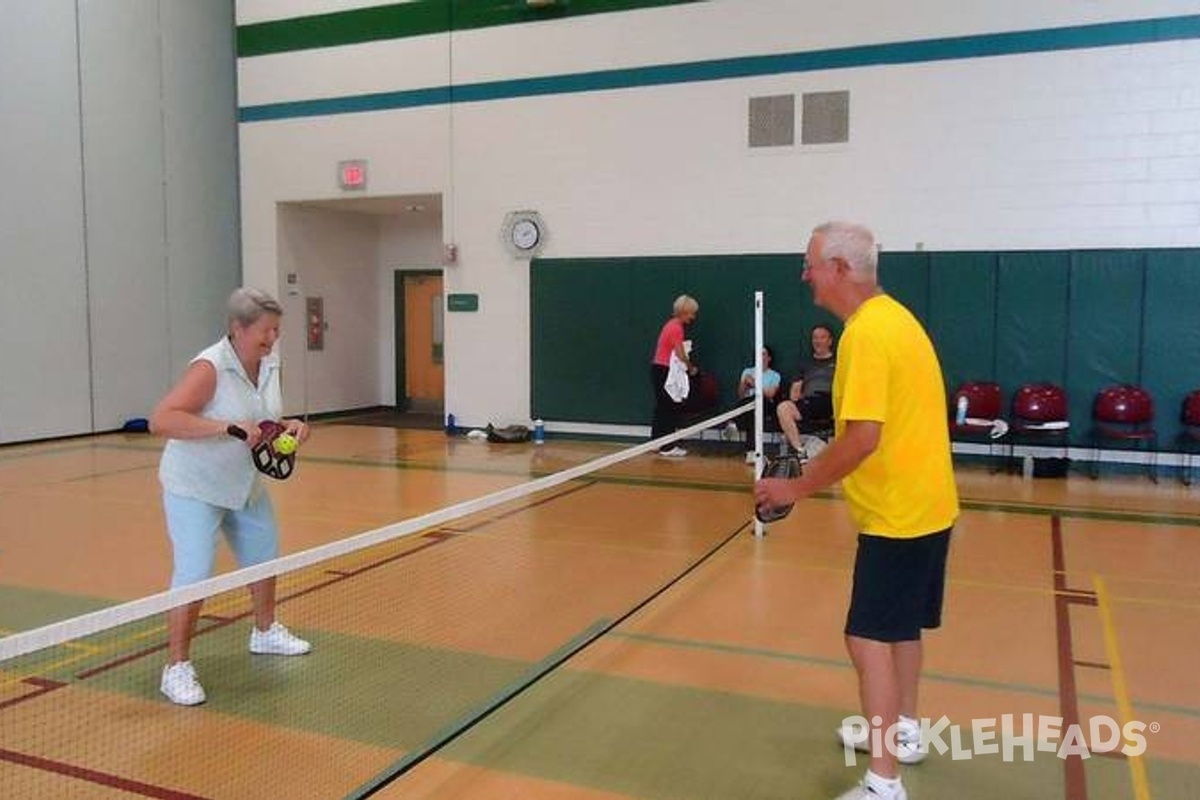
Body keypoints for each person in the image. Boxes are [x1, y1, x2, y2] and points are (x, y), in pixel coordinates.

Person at [754, 222, 959, 800]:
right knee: (901, 630)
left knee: (867, 637)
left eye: (811, 263)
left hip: (900, 514)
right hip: (929, 504)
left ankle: (883, 784)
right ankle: (904, 733)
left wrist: (794, 489)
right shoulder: (896, 318)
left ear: (840, 269)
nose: (805, 275)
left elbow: (864, 437)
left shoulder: (866, 334)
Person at [150, 287, 312, 706]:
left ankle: (265, 631)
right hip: (196, 486)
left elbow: (264, 418)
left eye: (276, 330)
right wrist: (224, 428)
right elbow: (162, 419)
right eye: (265, 331)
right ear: (237, 328)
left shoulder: (269, 363)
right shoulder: (210, 368)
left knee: (264, 555)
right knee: (195, 571)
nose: (272, 339)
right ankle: (177, 667)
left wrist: (289, 426)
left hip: (244, 484)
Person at [649, 294, 699, 457]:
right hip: (664, 371)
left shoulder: (670, 325)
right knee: (668, 407)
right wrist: (691, 368)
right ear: (684, 312)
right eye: (692, 313)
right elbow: (680, 354)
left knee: (662, 407)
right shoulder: (676, 328)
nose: (693, 317)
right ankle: (667, 446)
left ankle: (656, 443)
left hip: (659, 369)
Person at [775, 324, 836, 455]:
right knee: (783, 408)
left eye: (822, 337)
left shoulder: (839, 361)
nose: (818, 341)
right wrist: (796, 395)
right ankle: (800, 451)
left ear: (830, 341)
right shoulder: (804, 363)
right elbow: (794, 392)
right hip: (809, 403)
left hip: (833, 404)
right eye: (815, 338)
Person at [733, 345, 782, 463]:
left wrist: (754, 383)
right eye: (758, 354)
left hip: (766, 405)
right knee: (752, 412)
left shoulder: (774, 375)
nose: (761, 356)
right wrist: (745, 383)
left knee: (756, 401)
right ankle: (751, 452)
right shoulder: (747, 371)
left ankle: (734, 422)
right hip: (747, 405)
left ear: (769, 358)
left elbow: (770, 394)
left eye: (764, 354)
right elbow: (740, 395)